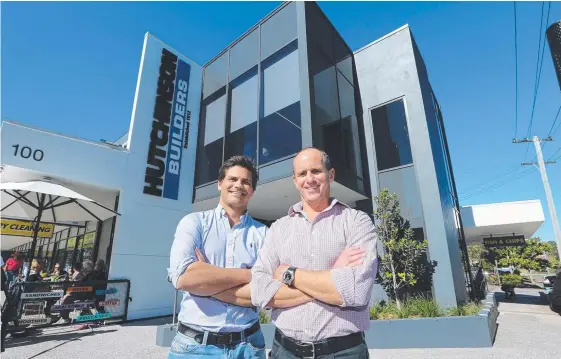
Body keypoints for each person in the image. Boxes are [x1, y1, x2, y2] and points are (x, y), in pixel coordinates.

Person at [251, 147, 378, 359]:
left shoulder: (357, 221)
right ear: (295, 181)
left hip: (343, 352)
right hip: (285, 351)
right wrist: (334, 274)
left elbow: (355, 291)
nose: (309, 179)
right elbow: (260, 291)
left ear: (331, 174)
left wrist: (287, 273)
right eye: (302, 174)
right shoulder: (278, 228)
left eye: (316, 171)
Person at [167, 156, 268, 359]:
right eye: (232, 179)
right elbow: (183, 279)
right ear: (220, 184)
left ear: (252, 191)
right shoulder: (194, 223)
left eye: (246, 182)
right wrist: (250, 273)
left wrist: (206, 282)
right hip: (194, 348)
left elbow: (264, 291)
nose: (238, 185)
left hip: (248, 346)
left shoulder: (264, 233)